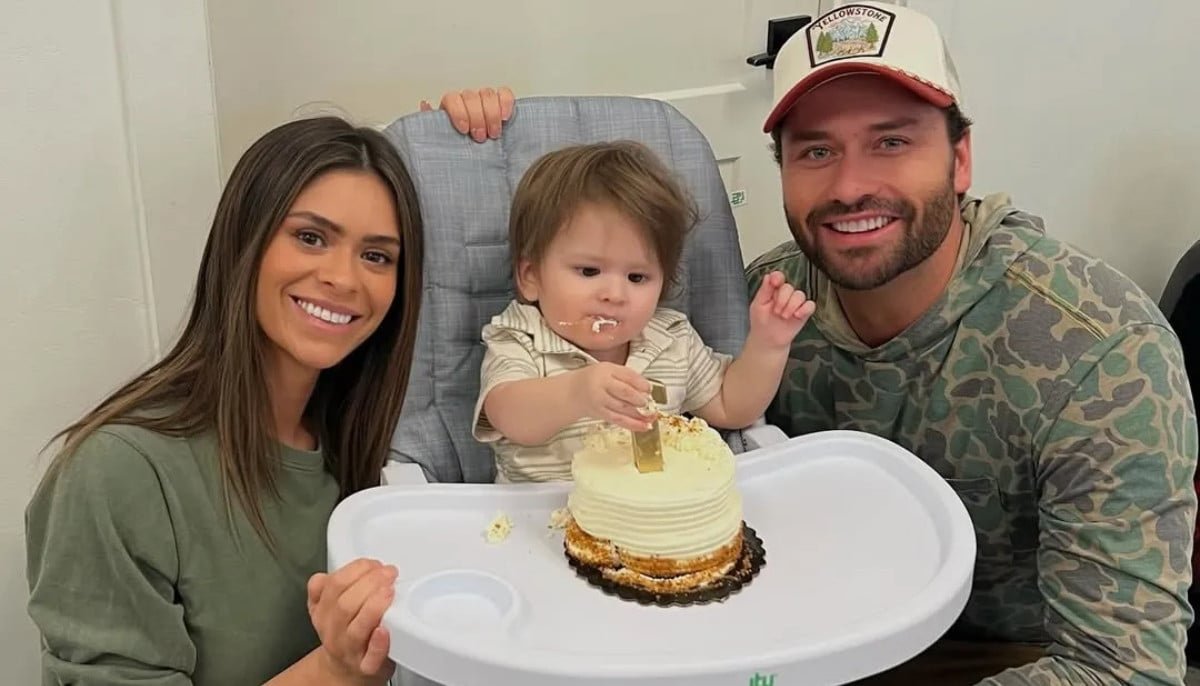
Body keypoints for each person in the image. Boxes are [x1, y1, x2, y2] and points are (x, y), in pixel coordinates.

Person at [446, 2, 1197, 683]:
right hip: (764, 630)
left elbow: (1120, 670)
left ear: (960, 158)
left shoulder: (1100, 353)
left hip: (978, 661)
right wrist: (466, 133)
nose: (848, 186)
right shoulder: (769, 292)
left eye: (891, 140)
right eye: (815, 151)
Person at [26, 114, 430, 684]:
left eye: (377, 256)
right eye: (310, 237)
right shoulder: (116, 473)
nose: (344, 279)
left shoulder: (353, 449)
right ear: (244, 240)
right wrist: (337, 670)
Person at [472, 140, 813, 482]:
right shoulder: (521, 338)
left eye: (637, 277)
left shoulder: (671, 340)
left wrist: (768, 344)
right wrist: (577, 393)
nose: (615, 294)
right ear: (531, 277)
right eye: (589, 271)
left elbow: (731, 406)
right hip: (544, 509)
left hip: (652, 507)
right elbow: (507, 415)